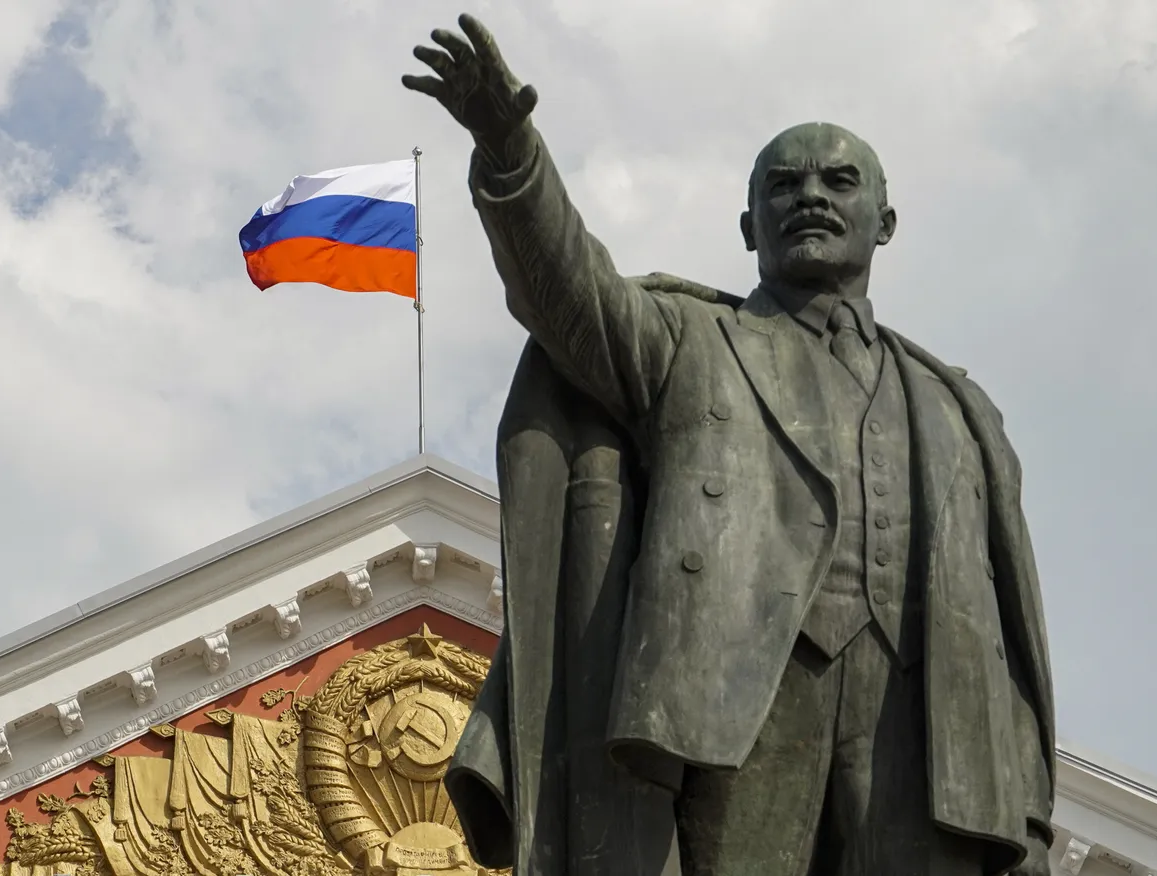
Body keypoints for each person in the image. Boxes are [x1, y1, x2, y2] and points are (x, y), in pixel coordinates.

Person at [406, 15, 1054, 876]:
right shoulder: (688, 340)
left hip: (930, 733)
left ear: (885, 222)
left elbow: (1005, 626)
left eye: (839, 180)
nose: (810, 196)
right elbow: (570, 296)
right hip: (737, 707)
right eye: (783, 185)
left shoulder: (956, 407)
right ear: (751, 229)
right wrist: (509, 147)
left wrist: (1032, 817)